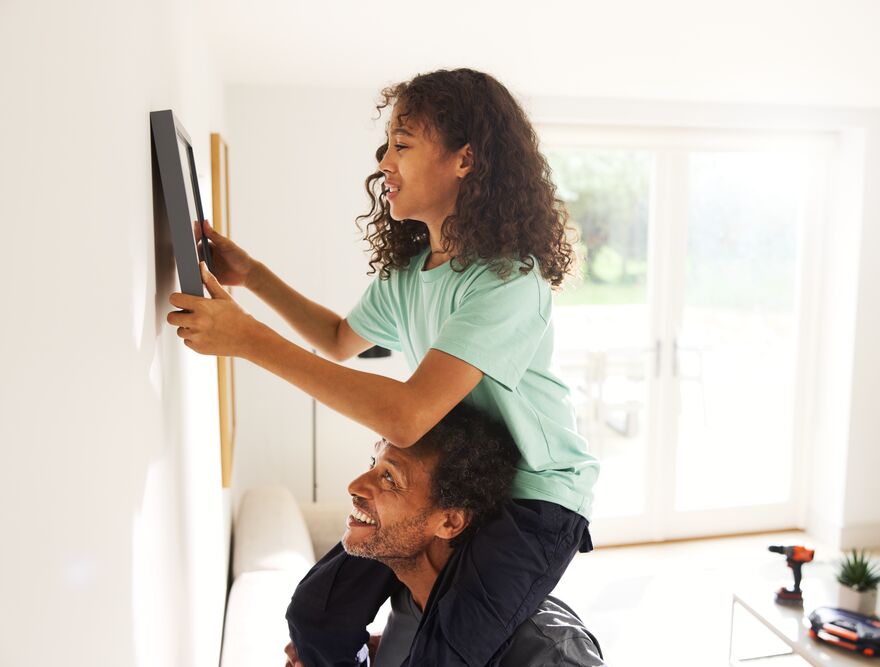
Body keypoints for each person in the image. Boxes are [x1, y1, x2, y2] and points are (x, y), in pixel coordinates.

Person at [166, 68, 599, 666]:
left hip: (535, 498)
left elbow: (406, 415)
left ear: (465, 160)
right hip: (461, 475)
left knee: (444, 652)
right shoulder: (409, 274)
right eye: (385, 146)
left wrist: (248, 339)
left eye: (402, 144)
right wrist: (255, 278)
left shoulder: (508, 280)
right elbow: (339, 339)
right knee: (317, 613)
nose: (383, 164)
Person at [283, 404, 604, 667]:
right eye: (373, 463)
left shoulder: (550, 652)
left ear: (449, 522)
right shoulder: (408, 607)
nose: (355, 485)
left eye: (390, 479)